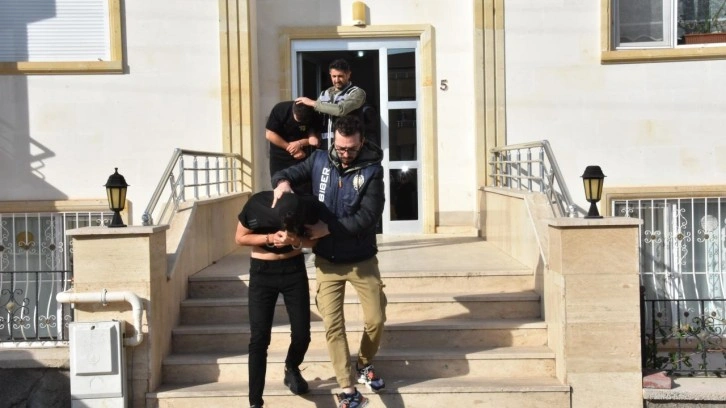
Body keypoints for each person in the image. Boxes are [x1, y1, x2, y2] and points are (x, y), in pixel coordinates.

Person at [271, 115, 386, 408]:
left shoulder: (372, 170)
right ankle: (348, 389)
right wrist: (282, 183)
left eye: (352, 148)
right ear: (333, 140)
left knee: (376, 319)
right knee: (334, 326)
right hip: (327, 261)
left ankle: (364, 363)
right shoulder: (319, 159)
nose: (345, 154)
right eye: (341, 147)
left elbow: (368, 216)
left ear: (361, 142)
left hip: (362, 259)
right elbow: (287, 172)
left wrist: (329, 228)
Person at [235, 191, 319, 408]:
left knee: (302, 334)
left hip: (293, 270)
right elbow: (240, 237)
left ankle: (291, 367)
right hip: (262, 272)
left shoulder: (302, 206)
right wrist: (270, 238)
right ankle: (255, 402)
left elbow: (314, 241)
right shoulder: (256, 204)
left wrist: (296, 241)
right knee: (259, 338)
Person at [295, 58, 366, 150]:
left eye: (340, 76)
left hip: (347, 147)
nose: (337, 80)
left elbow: (341, 110)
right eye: (334, 76)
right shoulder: (324, 94)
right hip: (324, 147)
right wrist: (312, 134)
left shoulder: (357, 93)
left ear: (348, 74)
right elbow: (316, 118)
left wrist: (312, 103)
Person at [265, 101, 319, 194]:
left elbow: (314, 140)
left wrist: (300, 143)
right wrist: (292, 149)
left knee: (303, 189)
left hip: (302, 157)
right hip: (280, 157)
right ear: (293, 111)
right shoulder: (281, 109)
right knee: (281, 186)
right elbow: (269, 134)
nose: (301, 122)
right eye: (298, 119)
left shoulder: (312, 113)